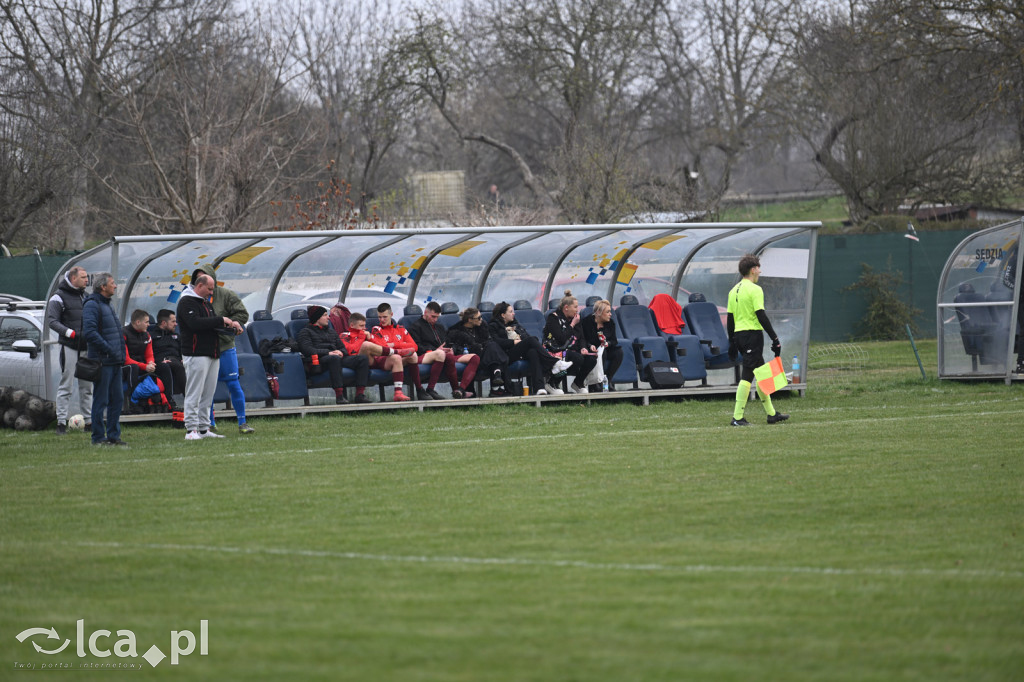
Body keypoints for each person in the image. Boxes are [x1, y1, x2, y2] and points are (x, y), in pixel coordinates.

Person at [726, 254, 789, 426]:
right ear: (753, 270)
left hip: (740, 336)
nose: (760, 271)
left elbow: (730, 319)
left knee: (762, 374)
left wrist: (731, 341)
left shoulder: (733, 291)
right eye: (758, 268)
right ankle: (737, 418)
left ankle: (771, 414)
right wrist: (774, 338)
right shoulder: (755, 289)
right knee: (747, 374)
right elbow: (760, 315)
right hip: (752, 335)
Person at [177, 273, 242, 440]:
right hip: (195, 353)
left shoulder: (205, 302)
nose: (211, 293)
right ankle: (191, 429)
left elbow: (212, 324)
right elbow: (195, 324)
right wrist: (221, 319)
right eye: (209, 289)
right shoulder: (186, 301)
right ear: (200, 286)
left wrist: (231, 325)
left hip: (212, 353)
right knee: (194, 392)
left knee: (208, 393)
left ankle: (204, 429)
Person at [193, 264, 254, 434]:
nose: (202, 282)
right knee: (207, 388)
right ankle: (209, 423)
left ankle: (242, 422)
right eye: (198, 278)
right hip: (205, 348)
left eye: (204, 277)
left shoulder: (226, 294)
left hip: (225, 346)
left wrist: (229, 323)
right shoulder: (192, 298)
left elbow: (242, 314)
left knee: (233, 383)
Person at [81, 273, 127, 446]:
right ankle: (98, 437)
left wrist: (118, 354)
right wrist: (109, 349)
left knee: (117, 399)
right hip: (102, 361)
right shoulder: (92, 305)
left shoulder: (108, 304)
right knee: (101, 400)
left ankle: (114, 436)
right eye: (113, 283)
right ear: (103, 287)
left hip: (114, 360)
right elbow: (90, 333)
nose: (115, 286)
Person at [46, 265, 93, 435]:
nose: (87, 280)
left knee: (87, 387)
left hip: (86, 347)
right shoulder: (57, 298)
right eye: (83, 277)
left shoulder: (86, 296)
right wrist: (70, 333)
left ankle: (89, 422)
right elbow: (52, 321)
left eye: (86, 277)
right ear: (73, 279)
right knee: (66, 385)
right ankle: (61, 423)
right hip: (70, 347)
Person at [488, 301, 568, 396]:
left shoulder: (515, 324)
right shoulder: (493, 326)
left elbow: (526, 336)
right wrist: (513, 342)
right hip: (505, 355)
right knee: (531, 341)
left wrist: (523, 340)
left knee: (533, 352)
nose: (514, 313)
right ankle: (554, 363)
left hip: (519, 351)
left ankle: (540, 388)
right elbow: (496, 342)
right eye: (510, 312)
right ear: (503, 315)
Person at [297, 305, 372, 404]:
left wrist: (341, 352)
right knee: (334, 359)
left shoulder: (331, 331)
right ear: (317, 317)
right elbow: (307, 350)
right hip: (320, 360)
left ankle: (360, 395)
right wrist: (328, 352)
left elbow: (343, 348)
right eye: (325, 315)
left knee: (362, 359)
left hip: (336, 357)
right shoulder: (305, 332)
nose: (328, 317)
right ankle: (339, 396)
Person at [407, 301, 480, 399]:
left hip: (445, 355)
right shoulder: (415, 327)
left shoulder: (439, 327)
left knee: (475, 357)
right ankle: (450, 389)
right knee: (447, 356)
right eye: (433, 316)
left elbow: (448, 342)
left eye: (437, 317)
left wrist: (452, 349)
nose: (435, 319)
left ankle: (461, 390)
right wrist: (435, 350)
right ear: (425, 313)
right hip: (427, 355)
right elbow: (417, 347)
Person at [341, 312, 411, 402]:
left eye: (365, 325)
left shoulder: (367, 334)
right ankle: (396, 351)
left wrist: (371, 338)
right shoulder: (344, 335)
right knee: (366, 345)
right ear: (352, 325)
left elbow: (382, 346)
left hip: (375, 359)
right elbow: (351, 351)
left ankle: (398, 393)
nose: (364, 328)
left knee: (396, 358)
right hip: (359, 361)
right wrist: (362, 338)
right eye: (361, 326)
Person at [543, 290, 598, 394]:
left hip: (573, 349)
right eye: (575, 307)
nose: (577, 310)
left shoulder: (575, 319)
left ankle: (578, 383)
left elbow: (581, 337)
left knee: (592, 358)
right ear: (566, 308)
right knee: (575, 357)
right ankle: (552, 383)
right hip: (556, 349)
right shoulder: (553, 318)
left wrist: (583, 347)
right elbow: (561, 338)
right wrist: (572, 324)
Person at [446, 307, 508, 397]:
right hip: (470, 357)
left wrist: (481, 348)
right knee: (493, 350)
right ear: (470, 320)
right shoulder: (456, 332)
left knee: (492, 346)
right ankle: (496, 379)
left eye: (481, 316)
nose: (481, 319)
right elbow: (456, 348)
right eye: (478, 318)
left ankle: (496, 377)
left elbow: (488, 340)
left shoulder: (482, 327)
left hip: (484, 357)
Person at [368, 303, 424, 397]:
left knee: (413, 355)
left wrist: (395, 344)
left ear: (391, 315)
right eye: (379, 317)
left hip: (398, 358)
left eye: (385, 317)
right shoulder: (376, 330)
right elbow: (383, 347)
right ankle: (398, 393)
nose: (382, 320)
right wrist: (403, 345)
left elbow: (414, 347)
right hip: (384, 360)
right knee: (396, 357)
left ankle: (419, 389)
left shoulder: (400, 329)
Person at [122, 308, 168, 413]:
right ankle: (132, 404)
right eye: (146, 322)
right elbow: (126, 360)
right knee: (132, 367)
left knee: (164, 366)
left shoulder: (147, 335)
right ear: (138, 322)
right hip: (125, 368)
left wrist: (151, 363)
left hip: (142, 366)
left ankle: (167, 401)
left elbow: (149, 355)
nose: (149, 325)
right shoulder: (124, 333)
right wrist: (145, 366)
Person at [580, 299, 623, 391]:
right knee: (601, 354)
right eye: (607, 312)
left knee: (619, 352)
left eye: (610, 312)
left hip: (605, 348)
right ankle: (595, 384)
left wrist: (608, 343)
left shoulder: (610, 323)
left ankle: (608, 380)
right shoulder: (586, 322)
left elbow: (614, 341)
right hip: (592, 349)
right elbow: (582, 339)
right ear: (598, 312)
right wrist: (589, 345)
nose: (610, 314)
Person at [151, 309, 186, 410]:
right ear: (163, 323)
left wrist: (184, 359)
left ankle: (192, 401)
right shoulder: (152, 336)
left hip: (176, 360)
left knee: (181, 365)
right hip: (160, 362)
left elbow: (183, 351)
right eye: (173, 321)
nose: (176, 324)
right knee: (168, 366)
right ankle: (170, 401)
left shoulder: (176, 336)